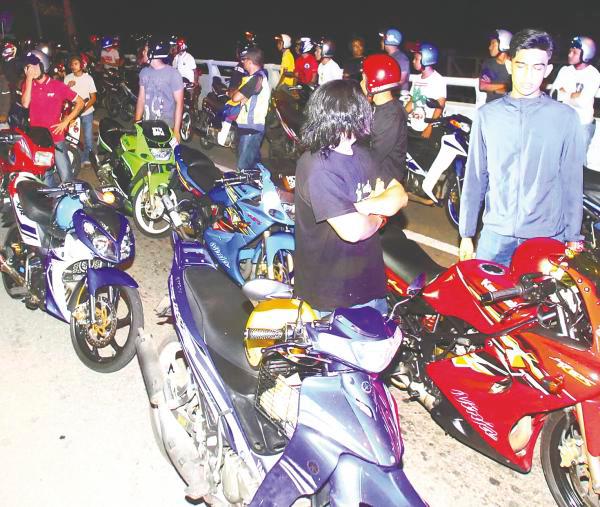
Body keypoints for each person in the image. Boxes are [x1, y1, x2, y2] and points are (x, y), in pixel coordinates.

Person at [459, 29, 586, 266]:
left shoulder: (565, 118)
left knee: (544, 304)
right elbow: (475, 177)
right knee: (483, 300)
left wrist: (573, 237)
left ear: (548, 70)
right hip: (495, 234)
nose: (528, 75)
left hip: (546, 235)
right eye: (521, 65)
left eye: (538, 67)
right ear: (509, 65)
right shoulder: (487, 116)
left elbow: (571, 180)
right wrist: (466, 233)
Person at [294, 79, 408, 314]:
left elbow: (400, 195)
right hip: (331, 296)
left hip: (371, 284)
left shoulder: (362, 154)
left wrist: (363, 206)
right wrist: (380, 216)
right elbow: (353, 231)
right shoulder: (318, 167)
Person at [21, 50, 84, 183]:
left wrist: (66, 122)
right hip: (38, 139)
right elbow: (25, 104)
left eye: (34, 66)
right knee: (45, 176)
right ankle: (49, 201)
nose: (31, 69)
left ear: (43, 65)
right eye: (28, 67)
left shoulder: (57, 86)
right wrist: (28, 79)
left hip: (55, 137)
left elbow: (80, 102)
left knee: (66, 176)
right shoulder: (28, 85)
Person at [362, 54, 408, 183]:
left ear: (373, 80)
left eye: (364, 76)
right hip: (375, 173)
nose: (361, 81)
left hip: (383, 180)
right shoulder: (379, 107)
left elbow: (373, 154)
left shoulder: (390, 115)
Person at [551, 36, 600, 152]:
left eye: (574, 52)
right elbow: (554, 94)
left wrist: (565, 93)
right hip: (563, 123)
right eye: (570, 51)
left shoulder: (593, 75)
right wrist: (573, 95)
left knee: (577, 163)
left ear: (586, 54)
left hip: (582, 125)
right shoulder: (565, 70)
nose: (570, 54)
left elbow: (582, 102)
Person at [230, 47, 271, 170]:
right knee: (253, 166)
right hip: (249, 126)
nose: (243, 62)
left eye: (244, 59)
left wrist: (233, 92)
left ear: (250, 61)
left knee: (243, 168)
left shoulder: (256, 79)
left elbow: (235, 97)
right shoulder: (256, 77)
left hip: (251, 128)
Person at [135, 40, 184, 141]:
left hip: (166, 126)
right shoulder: (144, 72)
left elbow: (179, 103)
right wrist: (137, 122)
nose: (143, 52)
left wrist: (176, 130)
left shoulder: (173, 74)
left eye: (145, 50)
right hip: (147, 124)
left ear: (152, 53)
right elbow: (141, 99)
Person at [405, 43, 446, 139]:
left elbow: (440, 106)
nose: (413, 61)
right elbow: (412, 101)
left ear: (425, 60)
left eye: (416, 59)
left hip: (427, 127)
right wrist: (401, 116)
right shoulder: (417, 79)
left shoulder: (438, 80)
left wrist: (429, 127)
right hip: (413, 125)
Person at [64, 54, 97, 168]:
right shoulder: (68, 78)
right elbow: (63, 95)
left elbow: (93, 98)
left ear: (82, 65)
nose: (73, 66)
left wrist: (82, 110)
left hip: (86, 113)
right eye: (72, 64)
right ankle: (73, 158)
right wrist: (68, 86)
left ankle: (86, 158)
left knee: (88, 137)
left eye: (76, 64)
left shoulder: (88, 78)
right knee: (72, 138)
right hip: (72, 114)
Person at [479, 29, 513, 102]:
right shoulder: (489, 64)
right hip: (492, 106)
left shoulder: (515, 64)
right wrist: (506, 86)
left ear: (503, 45)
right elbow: (483, 85)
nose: (489, 47)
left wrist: (498, 89)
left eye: (493, 44)